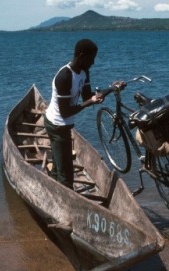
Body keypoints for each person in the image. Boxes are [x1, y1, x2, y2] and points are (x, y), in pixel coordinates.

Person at [44, 39, 121, 189]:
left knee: (58, 169)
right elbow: (65, 112)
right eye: (91, 59)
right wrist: (91, 101)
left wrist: (112, 88)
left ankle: (52, 185)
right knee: (66, 178)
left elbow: (87, 97)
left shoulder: (84, 72)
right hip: (56, 126)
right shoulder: (64, 77)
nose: (93, 62)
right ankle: (62, 202)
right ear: (81, 56)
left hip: (64, 125)